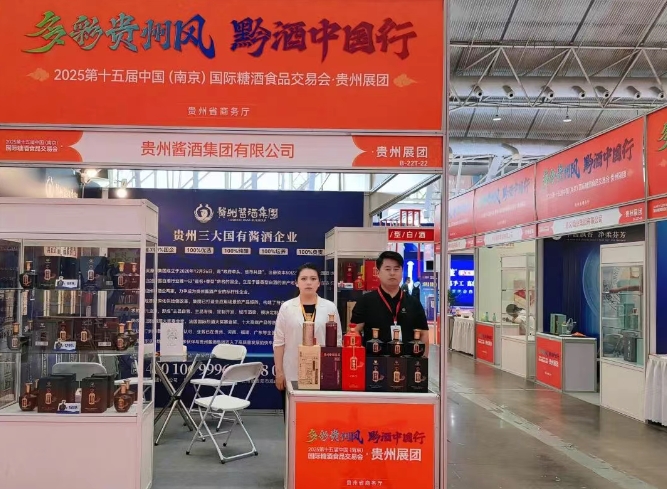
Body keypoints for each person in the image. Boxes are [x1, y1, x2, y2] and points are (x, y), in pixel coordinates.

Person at [272, 263, 341, 419]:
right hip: (292, 371)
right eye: (303, 279)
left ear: (319, 283)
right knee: (293, 419)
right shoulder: (287, 307)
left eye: (313, 279)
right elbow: (279, 342)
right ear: (296, 283)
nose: (308, 282)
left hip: (322, 372)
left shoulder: (330, 307)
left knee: (319, 418)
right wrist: (279, 372)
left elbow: (337, 342)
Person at [351, 251, 429, 355]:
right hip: (374, 361)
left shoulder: (414, 303)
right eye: (387, 269)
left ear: (402, 272)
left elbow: (424, 334)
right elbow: (354, 331)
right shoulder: (365, 301)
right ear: (378, 272)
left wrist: (423, 360)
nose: (392, 273)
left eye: (396, 269)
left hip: (407, 361)